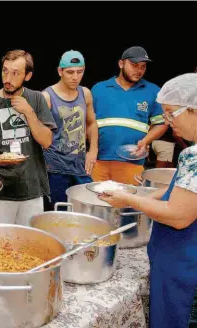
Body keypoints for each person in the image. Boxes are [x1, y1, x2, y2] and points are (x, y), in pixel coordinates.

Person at [98, 73, 197, 328]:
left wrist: (129, 200)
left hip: (184, 265)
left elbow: (178, 215)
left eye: (171, 114)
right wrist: (133, 195)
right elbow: (181, 193)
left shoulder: (193, 156)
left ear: (193, 110)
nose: (167, 122)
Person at [0, 49, 56, 225]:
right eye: (5, 71)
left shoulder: (37, 99)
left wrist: (28, 112)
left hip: (31, 187)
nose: (7, 79)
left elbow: (46, 141)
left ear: (28, 76)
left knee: (29, 244)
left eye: (15, 73)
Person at [91, 46, 168, 185]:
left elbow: (162, 123)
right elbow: (88, 123)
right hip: (98, 161)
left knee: (127, 204)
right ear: (121, 64)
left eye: (143, 67)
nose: (139, 71)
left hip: (133, 161)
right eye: (134, 65)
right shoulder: (99, 89)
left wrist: (146, 141)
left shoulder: (153, 91)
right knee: (96, 203)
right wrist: (91, 150)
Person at [42, 50, 98, 210]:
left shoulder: (85, 94)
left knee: (86, 210)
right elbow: (38, 134)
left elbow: (91, 123)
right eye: (70, 72)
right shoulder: (47, 96)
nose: (75, 77)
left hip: (80, 165)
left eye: (79, 72)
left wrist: (93, 150)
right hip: (55, 167)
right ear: (60, 71)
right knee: (56, 214)